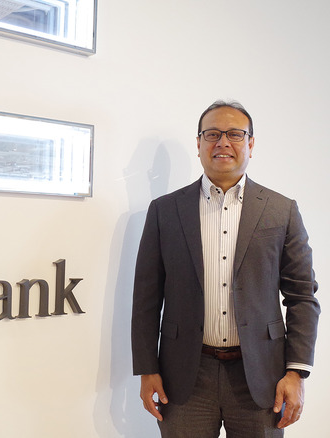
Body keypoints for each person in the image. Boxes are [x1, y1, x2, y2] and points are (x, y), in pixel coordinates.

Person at [131, 100, 320, 437]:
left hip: (261, 376)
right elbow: (146, 298)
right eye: (212, 134)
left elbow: (302, 296)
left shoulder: (281, 210)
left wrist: (296, 372)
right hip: (184, 376)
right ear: (199, 143)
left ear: (250, 144)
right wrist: (147, 369)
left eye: (234, 134)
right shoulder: (165, 211)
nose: (223, 142)